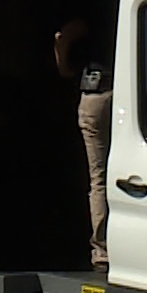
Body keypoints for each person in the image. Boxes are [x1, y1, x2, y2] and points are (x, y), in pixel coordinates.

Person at [56, 16, 113, 269]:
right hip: (128, 90)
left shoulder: (94, 3)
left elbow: (62, 36)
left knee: (98, 177)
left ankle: (102, 249)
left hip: (97, 92)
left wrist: (65, 68)